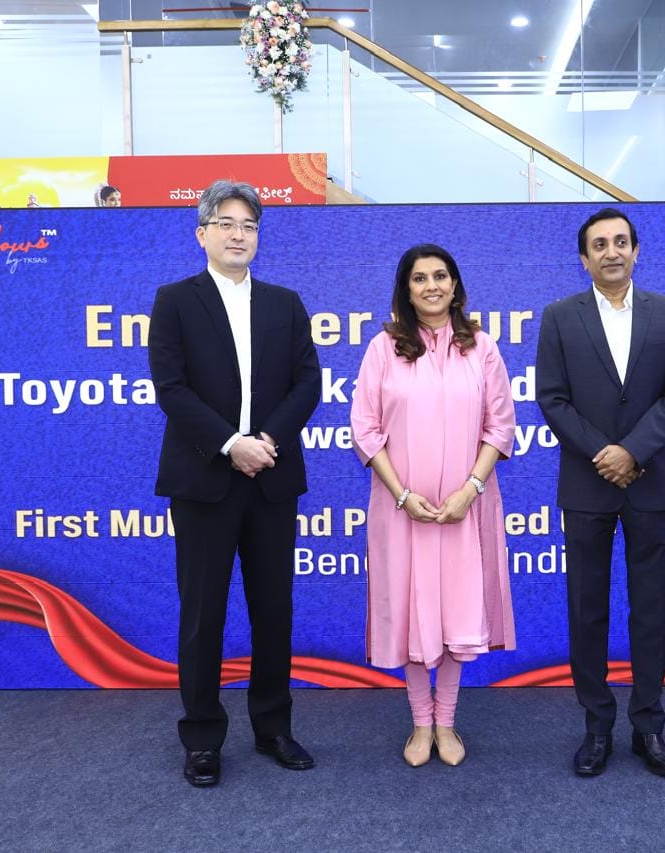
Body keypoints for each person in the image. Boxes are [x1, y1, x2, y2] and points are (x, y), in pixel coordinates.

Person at [147, 179, 321, 787]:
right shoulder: (175, 301)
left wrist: (265, 442)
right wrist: (231, 444)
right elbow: (171, 389)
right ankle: (202, 738)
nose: (238, 234)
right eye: (225, 223)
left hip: (271, 476)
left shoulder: (284, 304)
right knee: (203, 615)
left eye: (248, 225)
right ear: (202, 234)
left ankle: (273, 729)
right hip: (204, 480)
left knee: (274, 611)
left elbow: (307, 383)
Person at [535, 208, 665, 778]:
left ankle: (648, 725)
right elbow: (552, 398)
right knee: (587, 610)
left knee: (652, 610)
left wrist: (633, 451)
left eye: (621, 242)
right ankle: (597, 726)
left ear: (636, 251)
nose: (612, 251)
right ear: (584, 259)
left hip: (652, 482)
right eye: (599, 244)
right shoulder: (560, 317)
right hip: (587, 483)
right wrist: (604, 453)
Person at [350, 243, 516, 768]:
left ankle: (447, 721)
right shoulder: (384, 348)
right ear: (406, 289)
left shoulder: (481, 347)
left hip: (465, 509)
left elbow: (500, 425)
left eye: (440, 276)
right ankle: (421, 723)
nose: (431, 286)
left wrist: (470, 489)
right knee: (412, 616)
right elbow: (364, 429)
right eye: (419, 278)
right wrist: (402, 494)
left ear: (455, 285)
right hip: (402, 510)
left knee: (454, 616)